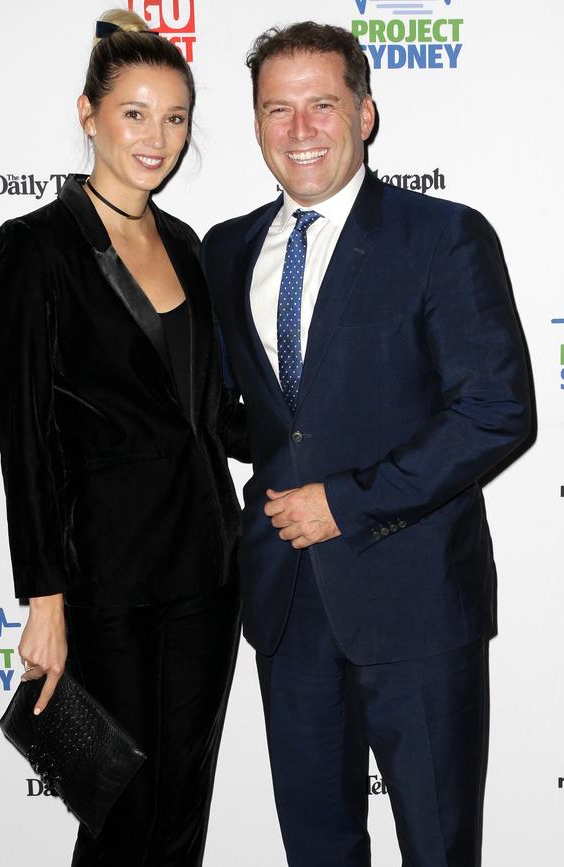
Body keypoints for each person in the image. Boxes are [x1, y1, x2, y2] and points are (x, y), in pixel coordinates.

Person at [202, 21, 530, 867]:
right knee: (316, 849)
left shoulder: (443, 236)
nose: (300, 129)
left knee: (438, 847)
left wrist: (345, 500)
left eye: (322, 104)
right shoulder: (226, 249)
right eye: (279, 109)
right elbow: (254, 416)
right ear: (256, 125)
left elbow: (496, 410)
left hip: (417, 597)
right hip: (286, 603)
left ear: (366, 113)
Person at [0, 9, 249, 866]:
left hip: (207, 568)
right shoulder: (37, 247)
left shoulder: (186, 244)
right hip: (105, 579)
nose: (157, 137)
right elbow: (24, 437)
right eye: (134, 112)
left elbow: (206, 412)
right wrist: (45, 598)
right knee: (121, 814)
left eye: (174, 117)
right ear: (87, 113)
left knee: (183, 805)